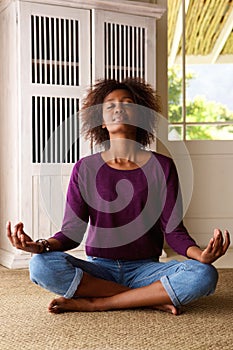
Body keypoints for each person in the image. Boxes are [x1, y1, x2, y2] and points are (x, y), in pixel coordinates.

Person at [7, 78, 230, 315]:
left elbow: (174, 232)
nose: (118, 109)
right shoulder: (85, 168)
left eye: (127, 103)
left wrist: (202, 255)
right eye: (110, 105)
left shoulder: (162, 166)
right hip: (99, 269)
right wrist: (40, 246)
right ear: (101, 121)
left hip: (147, 269)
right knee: (40, 266)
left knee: (204, 274)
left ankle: (99, 302)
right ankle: (148, 298)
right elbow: (71, 233)